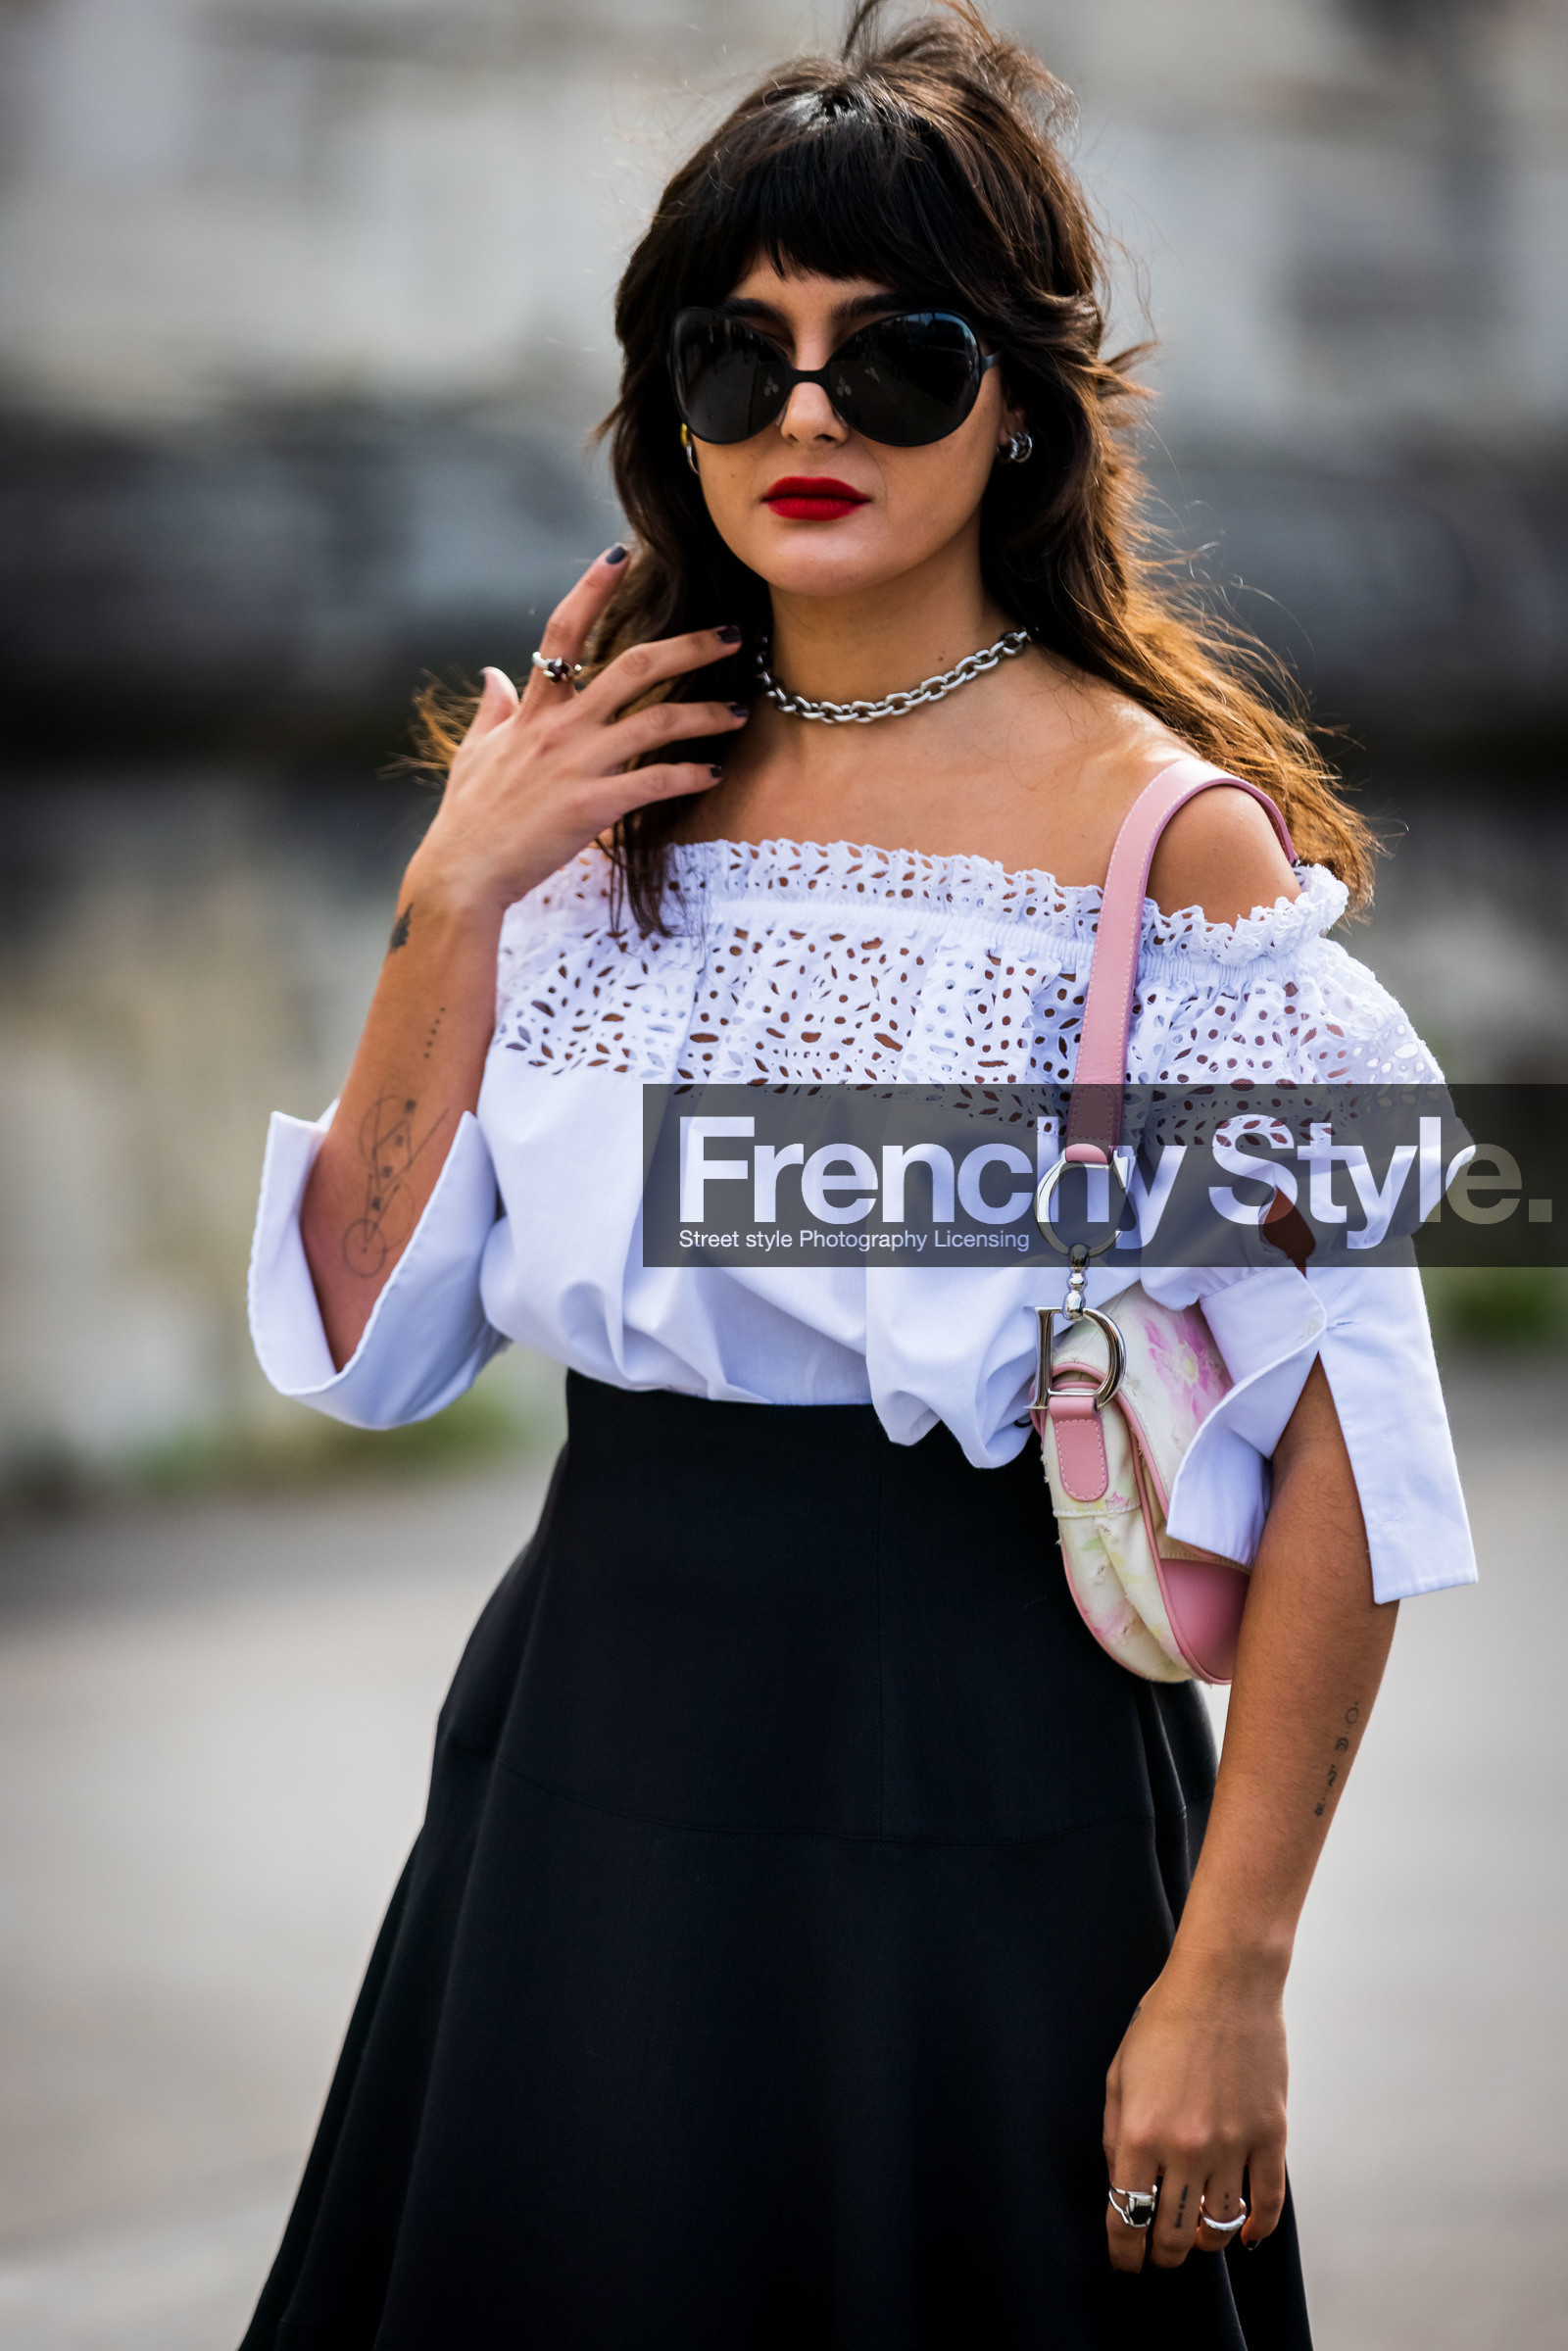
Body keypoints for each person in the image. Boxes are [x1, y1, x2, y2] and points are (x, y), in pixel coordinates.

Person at [242, 7, 1474, 2344]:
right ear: (669, 404)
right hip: (579, 1766)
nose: (804, 417)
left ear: (1011, 395)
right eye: (737, 357)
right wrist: (451, 906)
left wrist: (1230, 1978)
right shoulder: (587, 801)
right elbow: (371, 1346)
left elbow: (1349, 1446)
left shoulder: (1160, 846)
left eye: (889, 356)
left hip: (982, 1785)